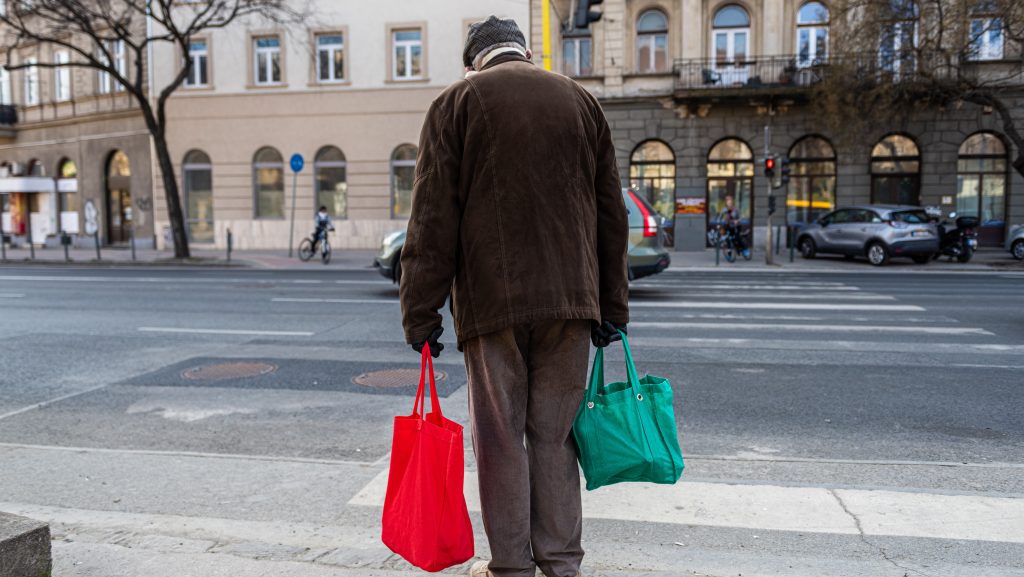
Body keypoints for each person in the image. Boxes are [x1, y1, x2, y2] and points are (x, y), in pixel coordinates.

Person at [398, 16, 629, 577]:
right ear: (524, 52)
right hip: (573, 303)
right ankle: (561, 563)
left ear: (474, 60)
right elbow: (610, 214)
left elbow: (431, 218)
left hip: (492, 303)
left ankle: (511, 568)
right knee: (555, 436)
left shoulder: (456, 103)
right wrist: (612, 307)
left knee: (501, 439)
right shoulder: (581, 102)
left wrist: (420, 311)